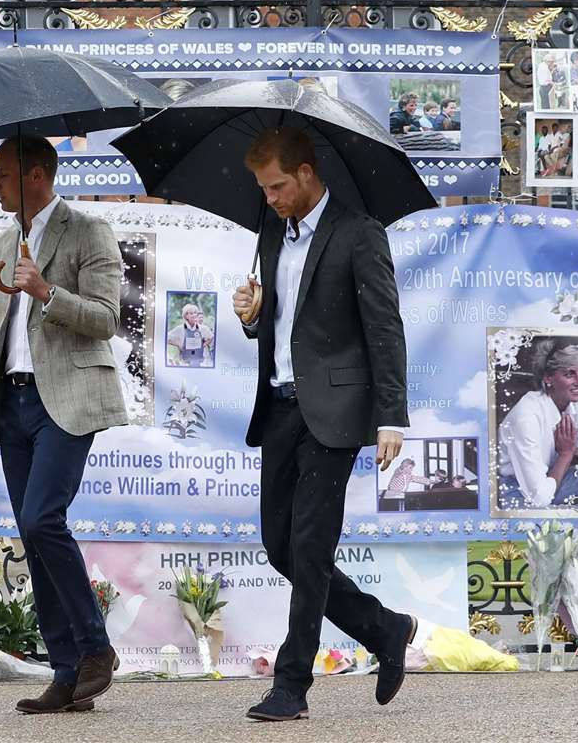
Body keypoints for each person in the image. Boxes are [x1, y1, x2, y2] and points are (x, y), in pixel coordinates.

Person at [229, 126, 415, 722]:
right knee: (278, 546)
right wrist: (253, 318)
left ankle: (292, 684)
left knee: (309, 548)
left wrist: (391, 418)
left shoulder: (359, 234)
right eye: (263, 188)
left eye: (277, 185)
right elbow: (280, 327)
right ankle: (385, 627)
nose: (270, 197)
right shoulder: (269, 234)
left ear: (307, 173)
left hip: (333, 416)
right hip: (280, 407)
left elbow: (386, 330)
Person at [0, 135, 125, 716]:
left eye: (2, 174)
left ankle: (95, 649)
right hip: (13, 404)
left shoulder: (87, 231)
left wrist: (46, 291)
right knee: (31, 531)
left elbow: (106, 319)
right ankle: (69, 672)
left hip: (66, 400)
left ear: (37, 175)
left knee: (44, 518)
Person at [496, 338, 578, 510]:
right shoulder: (526, 417)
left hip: (550, 481)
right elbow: (538, 498)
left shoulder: (576, 403)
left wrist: (577, 452)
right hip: (515, 490)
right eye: (569, 374)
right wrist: (566, 455)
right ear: (548, 377)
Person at [164, 302, 215, 367]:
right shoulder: (180, 329)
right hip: (185, 363)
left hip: (201, 362)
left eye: (195, 313)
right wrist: (178, 344)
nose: (194, 315)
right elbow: (166, 337)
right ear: (186, 316)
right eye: (191, 313)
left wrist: (204, 344)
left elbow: (211, 337)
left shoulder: (203, 328)